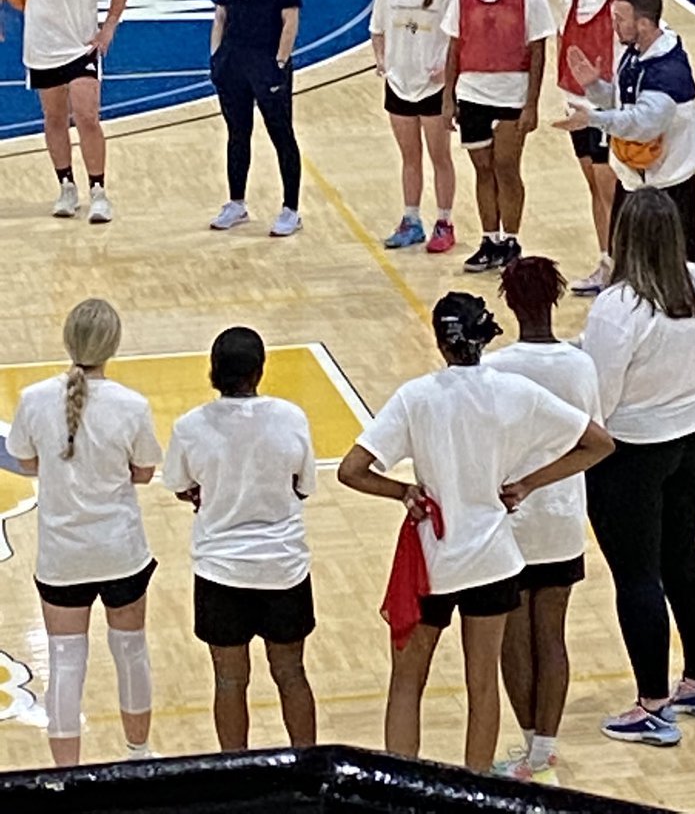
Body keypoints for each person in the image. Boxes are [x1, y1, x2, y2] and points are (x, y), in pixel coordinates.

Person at [337, 292, 611, 773]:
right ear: (484, 338)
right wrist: (527, 483)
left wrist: (401, 491)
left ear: (440, 342)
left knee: (407, 681)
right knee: (482, 685)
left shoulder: (415, 396)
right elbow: (598, 443)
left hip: (433, 559)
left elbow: (352, 470)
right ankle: (477, 791)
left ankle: (401, 788)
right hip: (492, 559)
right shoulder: (515, 392)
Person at [582, 187, 695, 746]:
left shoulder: (618, 308)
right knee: (684, 557)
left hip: (633, 451)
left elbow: (602, 397)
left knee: (637, 574)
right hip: (694, 435)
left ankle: (651, 704)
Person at [5, 298, 161, 766]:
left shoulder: (33, 399)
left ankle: (65, 777)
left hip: (62, 557)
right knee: (131, 650)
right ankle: (140, 753)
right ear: (113, 345)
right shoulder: (132, 405)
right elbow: (144, 472)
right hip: (120, 551)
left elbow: (26, 462)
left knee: (66, 662)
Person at [162, 327, 317, 751]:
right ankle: (306, 771)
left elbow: (177, 484)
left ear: (213, 372)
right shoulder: (291, 417)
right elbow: (304, 486)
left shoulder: (190, 425)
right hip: (282, 566)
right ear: (260, 371)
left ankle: (234, 773)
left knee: (229, 680)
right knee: (291, 673)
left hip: (220, 569)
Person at [484, 257, 606, 782]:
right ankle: (543, 750)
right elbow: (594, 438)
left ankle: (529, 743)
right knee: (551, 633)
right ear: (555, 300)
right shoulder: (580, 365)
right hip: (561, 515)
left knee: (515, 633)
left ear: (509, 303)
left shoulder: (495, 368)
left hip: (509, 517)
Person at [0, 0, 129, 222]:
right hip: (42, 45)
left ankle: (99, 191)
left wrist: (109, 27)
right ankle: (66, 186)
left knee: (87, 116)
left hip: (81, 44)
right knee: (54, 118)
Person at [555, 0, 695, 264]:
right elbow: (622, 101)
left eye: (620, 19)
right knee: (627, 267)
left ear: (644, 24)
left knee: (674, 274)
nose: (614, 26)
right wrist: (594, 87)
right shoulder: (634, 53)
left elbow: (643, 123)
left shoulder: (669, 70)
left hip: (668, 187)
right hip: (633, 181)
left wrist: (592, 119)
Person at [441, 0, 556, 272]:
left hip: (512, 92)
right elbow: (454, 46)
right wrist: (448, 99)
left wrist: (532, 103)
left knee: (506, 166)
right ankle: (489, 239)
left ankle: (511, 240)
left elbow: (538, 50)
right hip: (472, 92)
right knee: (482, 169)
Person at [209, 0, 303, 237]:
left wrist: (280, 61)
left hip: (267, 62)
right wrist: (216, 56)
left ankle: (291, 209)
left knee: (282, 136)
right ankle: (237, 203)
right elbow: (221, 15)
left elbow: (290, 19)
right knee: (237, 134)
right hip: (233, 63)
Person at [370, 0, 457, 252]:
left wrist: (447, 71)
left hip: (433, 89)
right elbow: (377, 31)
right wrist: (381, 61)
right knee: (410, 157)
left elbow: (458, 38)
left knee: (440, 157)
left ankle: (445, 223)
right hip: (398, 85)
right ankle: (411, 220)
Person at [557, 0, 626, 295]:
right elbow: (562, 43)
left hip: (607, 107)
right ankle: (607, 260)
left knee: (609, 186)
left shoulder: (620, 1)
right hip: (575, 103)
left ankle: (625, 265)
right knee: (593, 186)